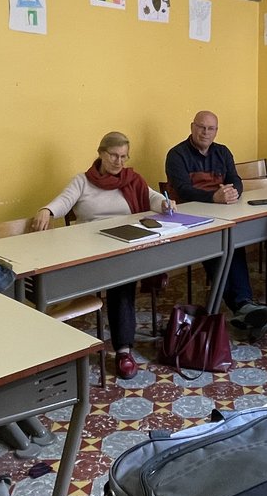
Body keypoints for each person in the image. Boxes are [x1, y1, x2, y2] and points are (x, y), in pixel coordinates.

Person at [33, 132, 169, 379]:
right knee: (121, 275)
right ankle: (66, 349)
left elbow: (152, 197)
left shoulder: (132, 179)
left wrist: (165, 204)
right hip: (91, 250)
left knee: (123, 278)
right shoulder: (83, 181)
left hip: (123, 245)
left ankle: (123, 349)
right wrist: (47, 210)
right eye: (114, 155)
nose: (119, 162)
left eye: (124, 157)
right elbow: (63, 202)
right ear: (101, 153)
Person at [165, 111, 267, 334]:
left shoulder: (222, 152)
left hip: (222, 215)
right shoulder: (176, 155)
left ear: (216, 131)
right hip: (190, 221)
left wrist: (233, 192)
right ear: (192, 127)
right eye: (201, 127)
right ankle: (242, 305)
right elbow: (183, 189)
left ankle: (244, 305)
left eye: (210, 128)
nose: (205, 132)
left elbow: (235, 179)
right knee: (219, 249)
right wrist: (213, 197)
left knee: (235, 245)